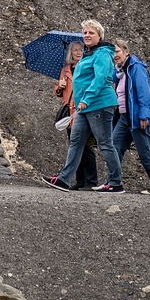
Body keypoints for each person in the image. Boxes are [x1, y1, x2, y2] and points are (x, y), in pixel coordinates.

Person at [42, 19, 123, 193]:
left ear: (99, 35)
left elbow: (100, 79)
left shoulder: (102, 53)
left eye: (91, 32)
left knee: (105, 143)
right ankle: (64, 179)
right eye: (85, 32)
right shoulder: (89, 54)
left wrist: (87, 98)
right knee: (76, 142)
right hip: (84, 107)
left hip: (99, 104)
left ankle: (116, 182)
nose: (86, 35)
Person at [111, 40, 150, 189]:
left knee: (145, 152)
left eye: (117, 51)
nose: (115, 55)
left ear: (126, 52)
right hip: (123, 117)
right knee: (115, 146)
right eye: (112, 53)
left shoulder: (136, 68)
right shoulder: (119, 71)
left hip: (136, 116)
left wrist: (144, 114)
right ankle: (114, 182)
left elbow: (143, 92)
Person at [54, 41, 98, 190]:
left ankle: (91, 181)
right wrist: (59, 87)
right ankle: (80, 181)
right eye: (75, 50)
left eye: (81, 50)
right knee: (75, 147)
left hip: (82, 110)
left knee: (85, 147)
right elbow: (59, 92)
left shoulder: (87, 66)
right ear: (70, 53)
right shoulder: (65, 70)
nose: (78, 53)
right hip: (69, 112)